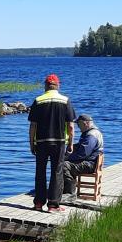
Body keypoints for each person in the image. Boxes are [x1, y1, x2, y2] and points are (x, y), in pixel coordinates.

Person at [27, 74, 76, 212]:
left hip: (41, 141)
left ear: (45, 85)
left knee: (40, 171)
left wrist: (31, 143)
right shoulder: (65, 100)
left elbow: (32, 126)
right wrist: (71, 143)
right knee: (57, 172)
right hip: (59, 141)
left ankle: (38, 203)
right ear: (58, 85)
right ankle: (53, 205)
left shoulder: (38, 100)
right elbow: (71, 126)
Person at [60, 114, 103, 196]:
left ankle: (69, 193)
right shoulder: (91, 133)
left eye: (79, 124)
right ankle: (64, 189)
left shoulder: (91, 135)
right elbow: (81, 147)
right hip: (90, 162)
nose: (78, 127)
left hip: (90, 164)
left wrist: (66, 158)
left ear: (85, 123)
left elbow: (83, 153)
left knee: (64, 166)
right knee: (65, 164)